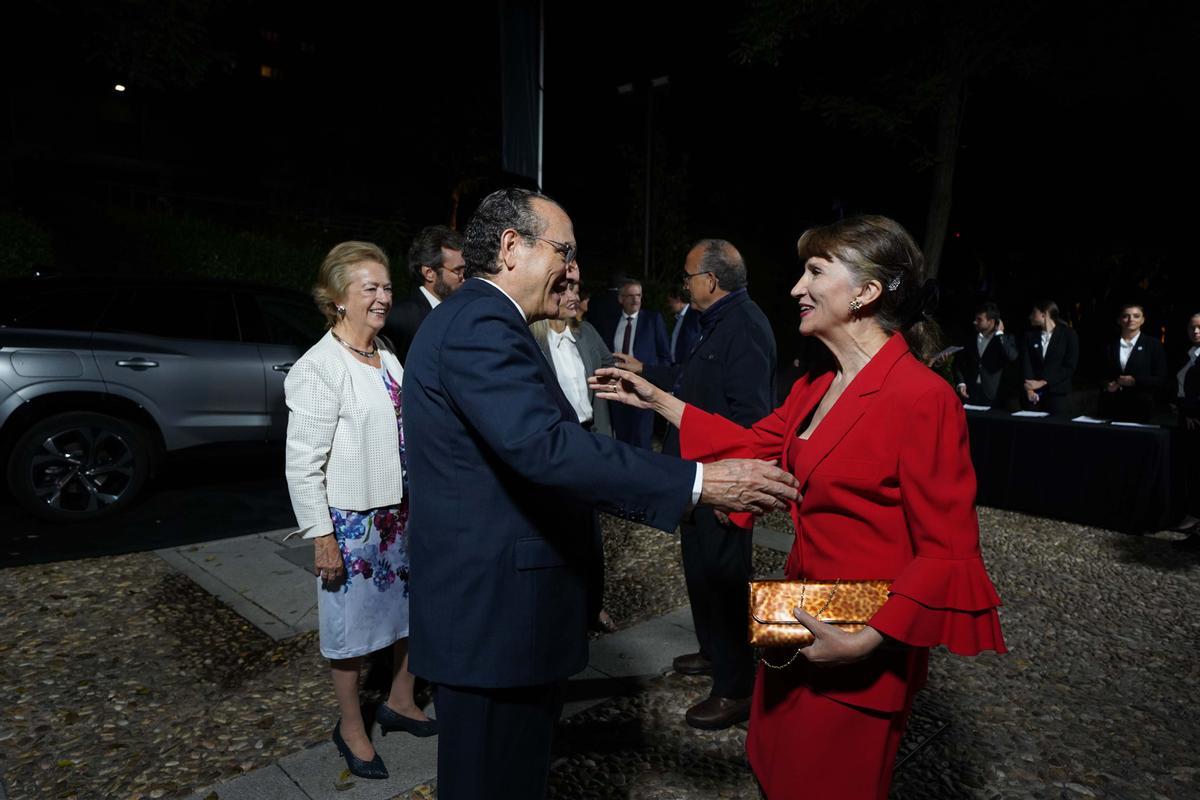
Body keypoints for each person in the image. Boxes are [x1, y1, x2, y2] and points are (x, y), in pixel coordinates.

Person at [401, 187, 800, 800]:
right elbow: (547, 448)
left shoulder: (484, 320)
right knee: (490, 779)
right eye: (564, 250)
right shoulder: (481, 322)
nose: (572, 269)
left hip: (500, 613)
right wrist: (699, 481)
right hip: (492, 618)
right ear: (512, 247)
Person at [593, 215, 1006, 799]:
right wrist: (660, 400)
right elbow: (753, 445)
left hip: (860, 639)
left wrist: (865, 639)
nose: (795, 288)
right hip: (793, 620)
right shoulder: (816, 385)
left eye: (815, 272)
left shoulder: (923, 397)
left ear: (865, 293)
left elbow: (949, 550)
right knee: (773, 769)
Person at [284, 242, 436, 782]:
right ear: (337, 300)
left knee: (411, 613)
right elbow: (303, 465)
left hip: (402, 513)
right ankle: (351, 726)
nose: (382, 297)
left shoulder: (386, 354)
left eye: (387, 286)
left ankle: (399, 699)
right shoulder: (319, 368)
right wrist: (322, 537)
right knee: (349, 632)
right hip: (353, 523)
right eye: (368, 288)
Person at [613, 239, 776, 729]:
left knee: (725, 583)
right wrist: (650, 373)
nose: (683, 283)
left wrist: (738, 492)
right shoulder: (718, 323)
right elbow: (693, 378)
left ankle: (735, 687)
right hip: (701, 475)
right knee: (702, 572)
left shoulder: (744, 327)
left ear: (710, 280)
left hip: (725, 481)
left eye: (688, 275)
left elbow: (753, 420)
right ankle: (712, 652)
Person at [530, 273, 617, 632]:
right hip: (555, 444)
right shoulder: (532, 339)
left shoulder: (586, 332)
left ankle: (591, 606)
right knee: (553, 532)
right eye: (565, 289)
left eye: (576, 289)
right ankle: (557, 609)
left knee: (590, 536)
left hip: (589, 439)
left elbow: (609, 365)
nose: (573, 295)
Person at [382, 225, 466, 364]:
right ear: (429, 273)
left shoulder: (460, 312)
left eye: (465, 270)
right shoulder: (399, 318)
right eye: (457, 271)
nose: (464, 277)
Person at [608, 278, 670, 448]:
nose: (635, 300)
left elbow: (665, 356)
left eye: (639, 295)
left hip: (643, 389)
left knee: (642, 440)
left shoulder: (652, 320)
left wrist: (654, 381)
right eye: (630, 296)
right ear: (621, 299)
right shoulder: (611, 322)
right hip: (617, 389)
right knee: (621, 439)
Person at [1098, 303, 1167, 422]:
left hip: (1142, 408)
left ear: (1143, 320)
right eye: (1126, 316)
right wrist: (1106, 385)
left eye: (1136, 316)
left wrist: (1136, 381)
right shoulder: (1108, 345)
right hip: (1112, 407)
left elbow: (1162, 379)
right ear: (1119, 320)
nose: (1131, 320)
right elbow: (1098, 373)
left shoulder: (1153, 345)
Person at [1021, 299, 1079, 415]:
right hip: (1034, 397)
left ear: (1044, 314)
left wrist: (1043, 382)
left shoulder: (1068, 335)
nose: (1030, 316)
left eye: (1034, 312)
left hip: (1058, 395)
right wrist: (1030, 389)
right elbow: (1026, 364)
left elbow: (1069, 367)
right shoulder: (1029, 336)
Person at [953, 302, 1018, 406]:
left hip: (994, 395)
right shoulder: (969, 339)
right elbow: (958, 363)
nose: (974, 322)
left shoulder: (1006, 339)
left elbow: (1012, 357)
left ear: (991, 321)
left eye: (979, 319)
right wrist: (961, 383)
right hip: (970, 393)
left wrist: (1000, 334)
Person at [1174, 312, 1200, 545]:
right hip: (1188, 422)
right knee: (1192, 471)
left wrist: (1194, 411)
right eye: (1192, 327)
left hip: (1198, 420)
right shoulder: (1189, 355)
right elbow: (1180, 388)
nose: (1196, 331)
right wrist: (1185, 411)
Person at [667, 285, 701, 366]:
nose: (668, 305)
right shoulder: (679, 318)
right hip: (676, 366)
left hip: (688, 366)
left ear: (678, 299)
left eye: (670, 301)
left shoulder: (694, 314)